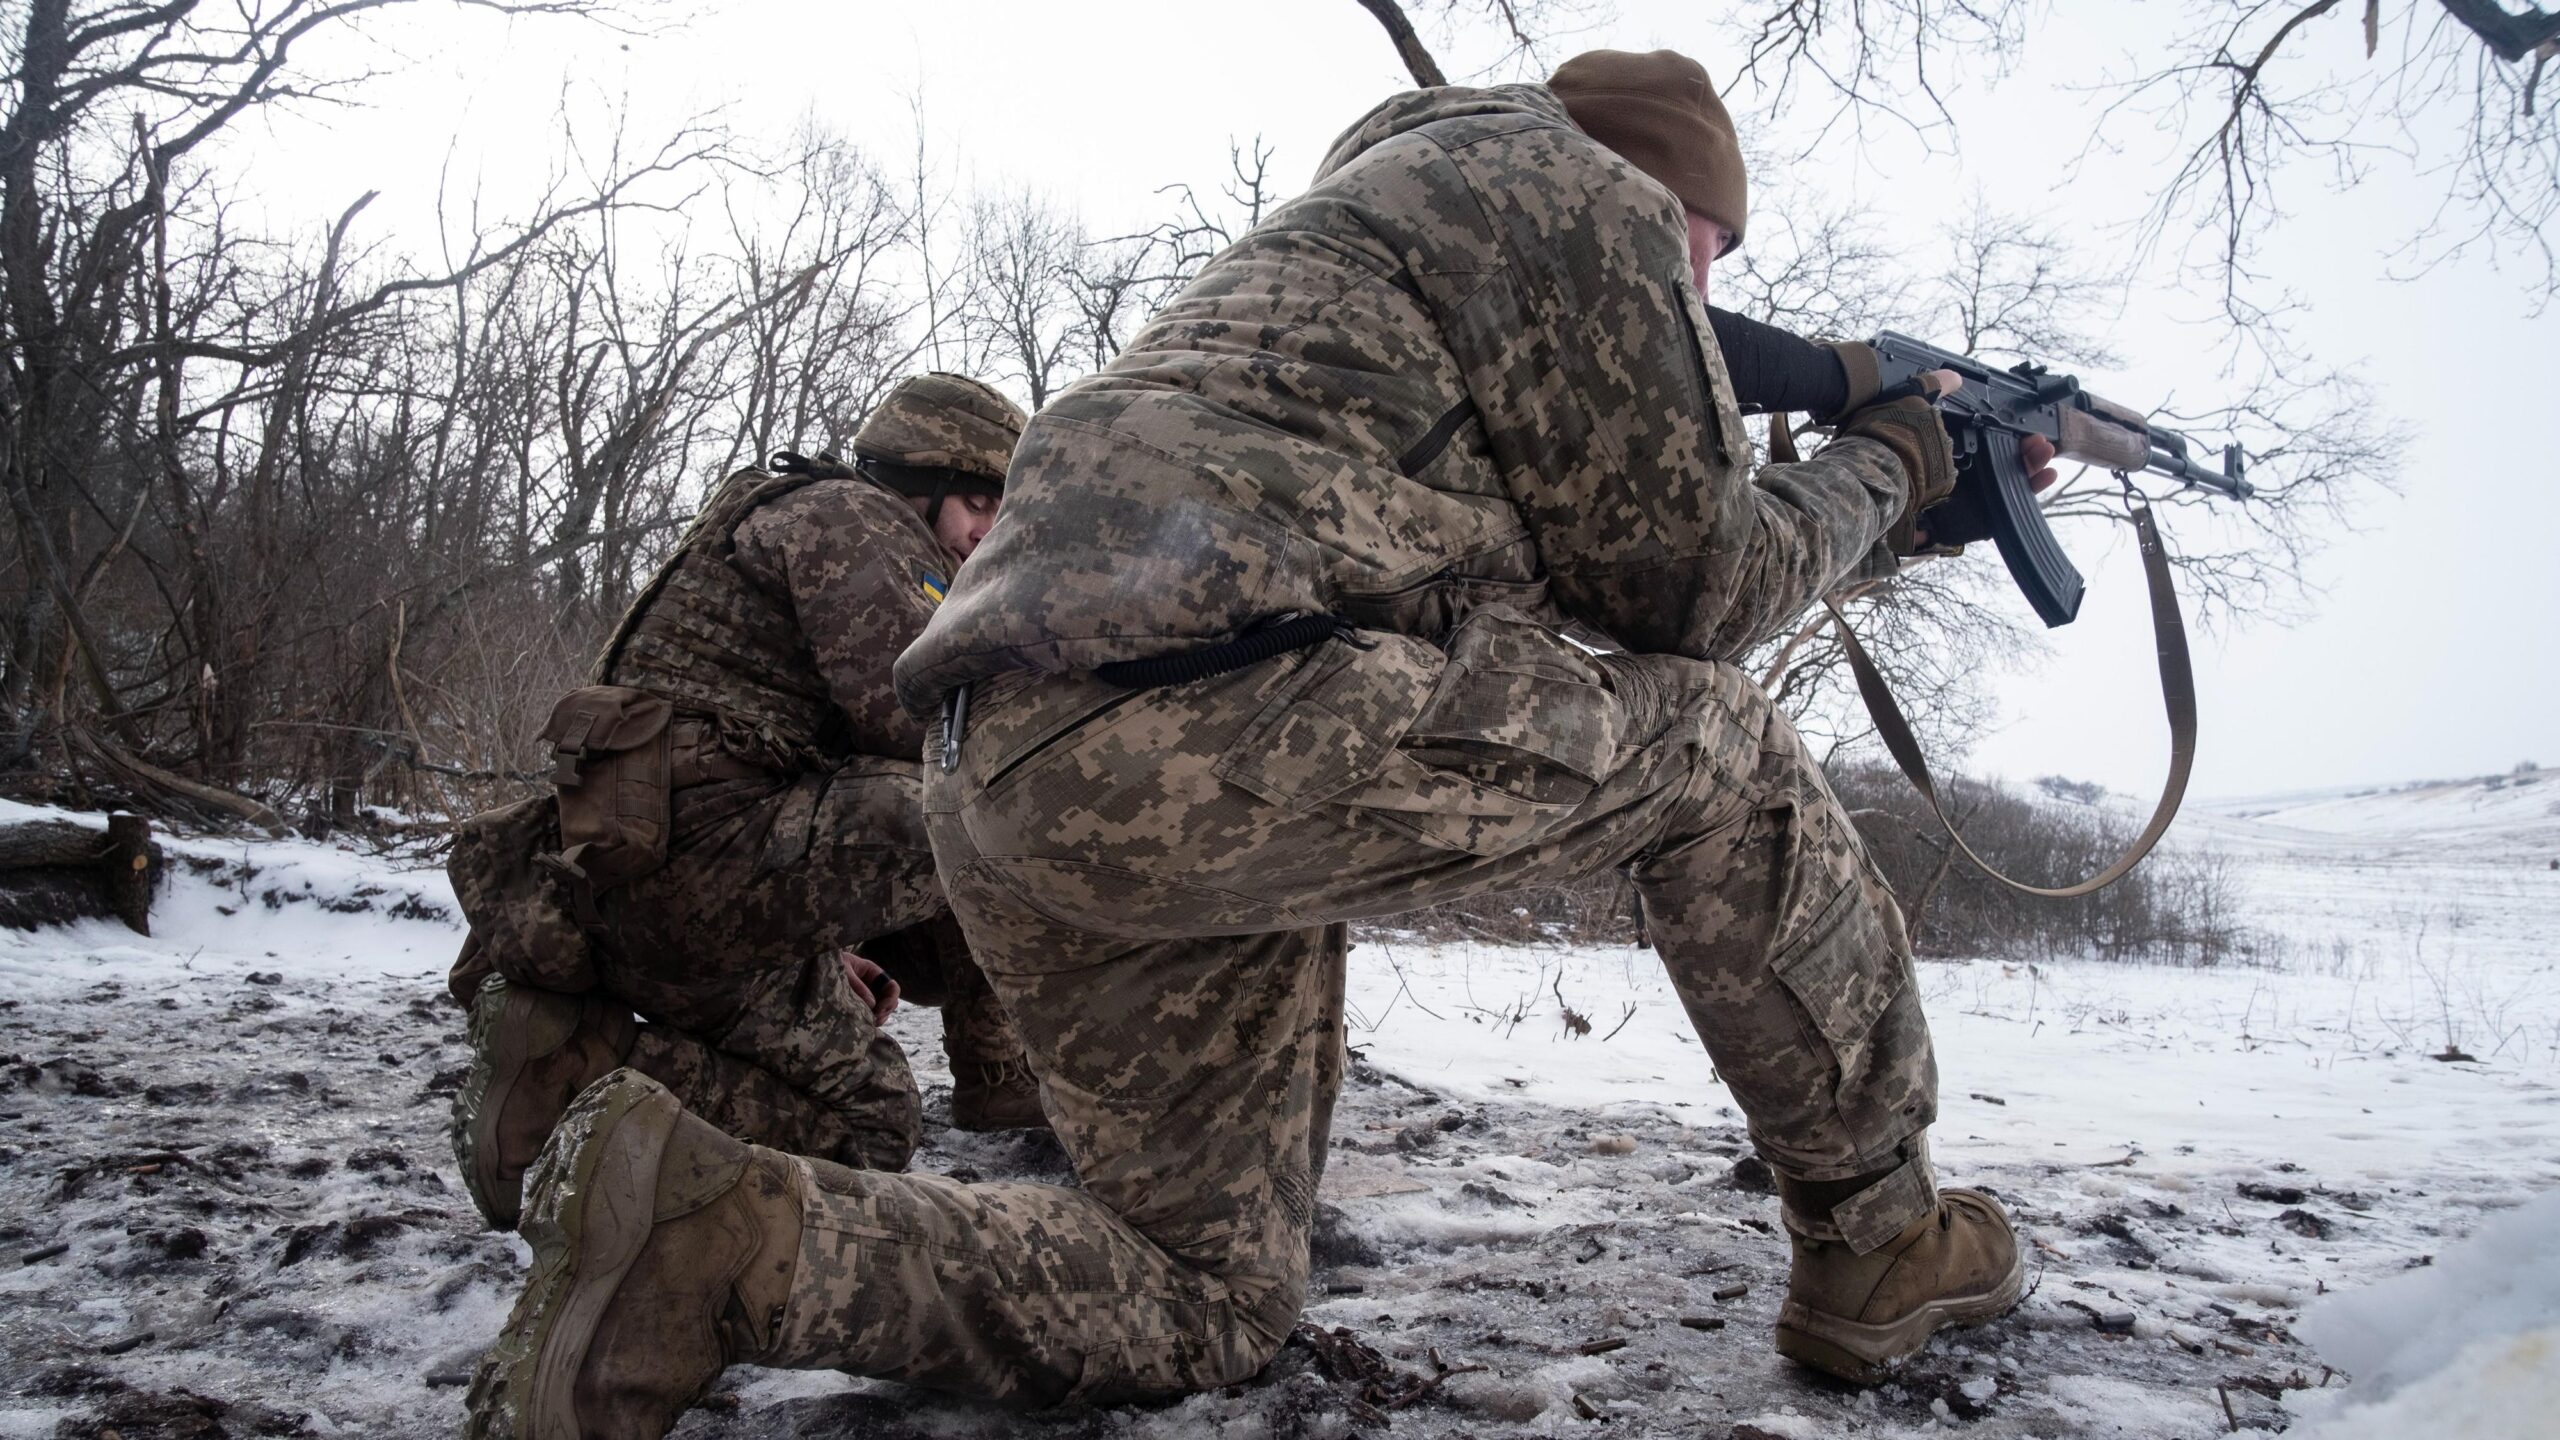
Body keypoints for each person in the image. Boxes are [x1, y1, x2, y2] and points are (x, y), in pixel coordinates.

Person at [463, 50, 2035, 1437]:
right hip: (1212, 723)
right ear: (1658, 197)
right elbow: (1693, 600)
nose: (1699, 292)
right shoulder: (1572, 191)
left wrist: (1896, 504)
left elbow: (1590, 562)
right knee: (1720, 750)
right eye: (1708, 251)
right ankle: (1880, 1237)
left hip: (1002, 771)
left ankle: (718, 1245)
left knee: (1200, 1290)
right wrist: (1893, 462)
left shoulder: (1352, 273)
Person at [443, 372, 1048, 1235]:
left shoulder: (776, 514)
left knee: (875, 1121)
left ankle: (576, 1062)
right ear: (923, 479)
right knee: (977, 799)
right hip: (696, 874)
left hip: (647, 879)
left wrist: (825, 942)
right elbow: (918, 717)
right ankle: (997, 1075)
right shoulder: (854, 516)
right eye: (980, 502)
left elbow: (780, 753)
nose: (987, 532)